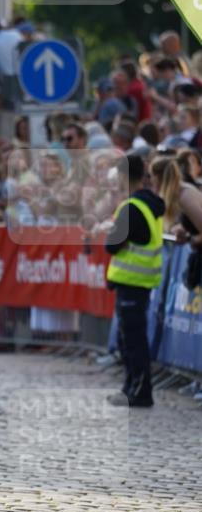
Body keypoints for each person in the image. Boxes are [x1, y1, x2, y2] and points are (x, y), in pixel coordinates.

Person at [105, 154, 165, 408]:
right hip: (140, 282)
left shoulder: (131, 207)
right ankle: (131, 388)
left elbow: (112, 245)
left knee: (132, 340)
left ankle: (139, 391)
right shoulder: (150, 204)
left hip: (132, 282)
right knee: (129, 338)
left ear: (123, 177)